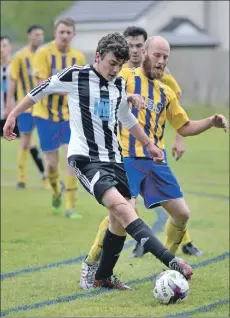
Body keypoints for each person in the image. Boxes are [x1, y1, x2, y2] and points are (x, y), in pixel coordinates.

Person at [4, 32, 194, 290]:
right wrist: (13, 114)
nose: (115, 70)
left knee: (118, 220)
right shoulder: (76, 75)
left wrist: (149, 144)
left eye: (119, 65)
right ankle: (171, 260)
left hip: (114, 160)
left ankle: (102, 276)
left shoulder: (117, 85)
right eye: (111, 64)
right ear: (98, 57)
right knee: (123, 208)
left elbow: (127, 118)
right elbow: (40, 90)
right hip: (86, 159)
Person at [77, 34, 228, 289]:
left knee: (182, 214)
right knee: (122, 213)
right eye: (157, 55)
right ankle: (91, 264)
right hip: (125, 156)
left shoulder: (166, 92)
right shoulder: (124, 78)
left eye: (166, 57)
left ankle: (166, 268)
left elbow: (185, 125)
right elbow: (101, 103)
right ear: (144, 53)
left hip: (155, 160)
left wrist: (211, 122)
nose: (161, 61)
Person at [123, 26, 202, 257]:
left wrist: (180, 139)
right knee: (124, 209)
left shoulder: (165, 78)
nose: (136, 50)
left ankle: (181, 244)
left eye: (140, 45)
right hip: (127, 151)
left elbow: (178, 114)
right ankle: (139, 243)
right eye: (132, 46)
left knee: (175, 205)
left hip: (157, 151)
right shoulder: (121, 75)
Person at [32, 18, 86, 218]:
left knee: (72, 159)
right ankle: (56, 191)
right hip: (45, 116)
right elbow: (42, 85)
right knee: (52, 163)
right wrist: (68, 89)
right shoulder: (43, 54)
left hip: (69, 117)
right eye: (61, 32)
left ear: (73, 35)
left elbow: (82, 86)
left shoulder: (78, 57)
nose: (65, 36)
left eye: (68, 32)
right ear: (55, 33)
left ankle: (71, 207)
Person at [5, 26, 49, 190]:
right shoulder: (20, 57)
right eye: (36, 34)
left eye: (41, 34)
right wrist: (10, 102)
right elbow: (13, 81)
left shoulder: (46, 55)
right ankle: (21, 179)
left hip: (44, 107)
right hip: (26, 107)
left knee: (47, 144)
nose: (39, 37)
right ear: (29, 36)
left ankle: (48, 180)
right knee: (25, 142)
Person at [0, 36, 20, 137]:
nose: (1, 49)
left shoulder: (15, 67)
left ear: (10, 47)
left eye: (4, 46)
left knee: (25, 139)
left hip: (14, 110)